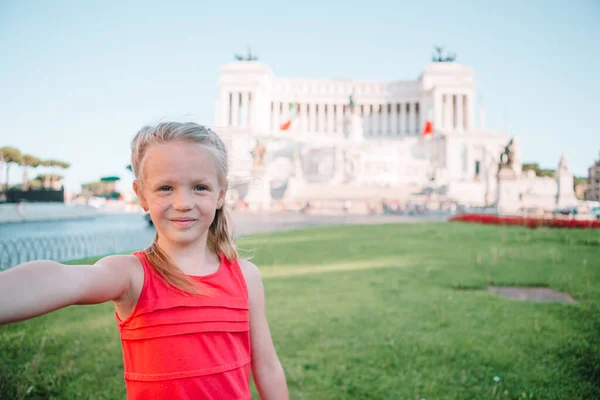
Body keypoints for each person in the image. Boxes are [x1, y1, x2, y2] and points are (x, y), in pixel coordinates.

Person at [0, 122, 289, 400]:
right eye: (166, 188)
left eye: (199, 187)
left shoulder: (245, 276)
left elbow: (267, 367)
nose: (182, 202)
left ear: (220, 195)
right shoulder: (132, 275)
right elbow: (61, 278)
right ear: (142, 195)